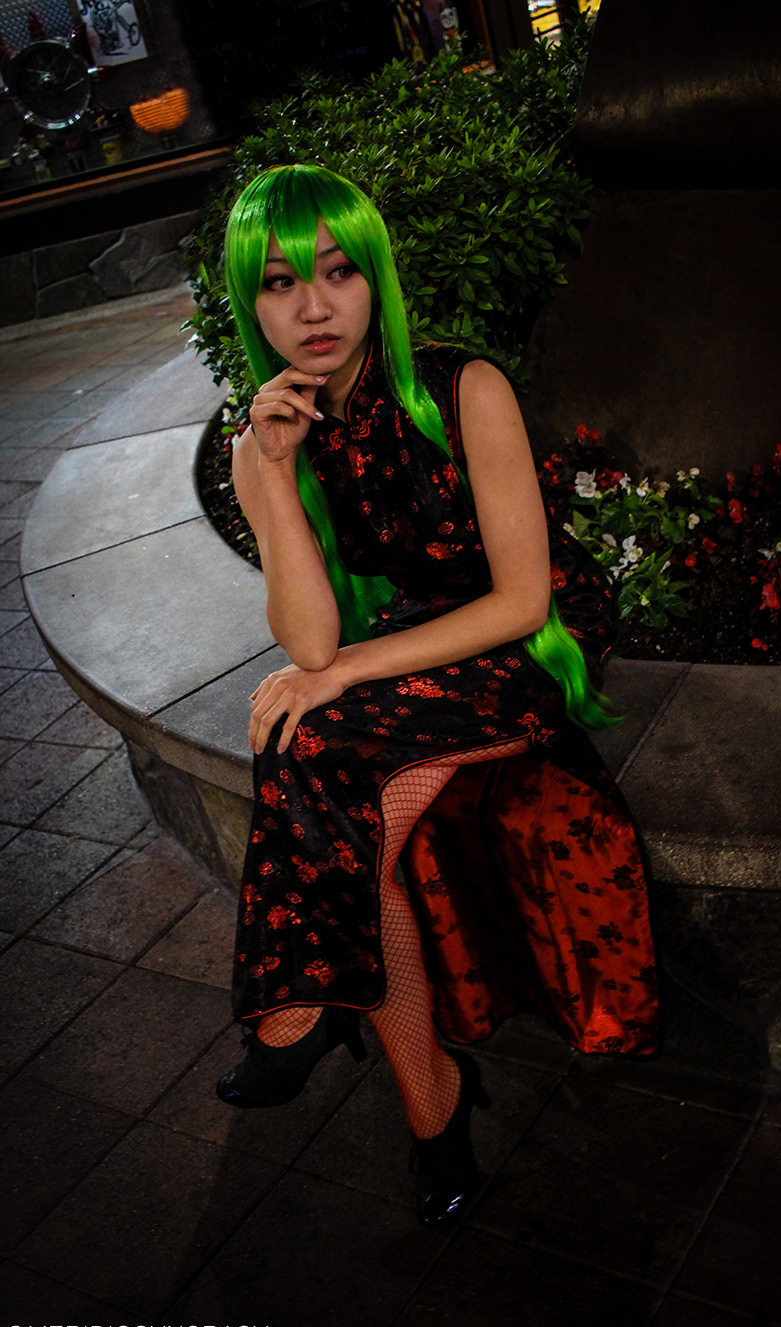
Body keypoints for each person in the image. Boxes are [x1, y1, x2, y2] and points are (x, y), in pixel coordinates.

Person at [215, 163, 658, 1226]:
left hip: (531, 637)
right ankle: (431, 1098)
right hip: (416, 644)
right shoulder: (263, 445)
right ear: (250, 303)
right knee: (323, 780)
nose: (314, 307)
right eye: (281, 282)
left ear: (376, 277)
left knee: (318, 760)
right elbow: (309, 638)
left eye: (338, 272)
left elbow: (521, 600)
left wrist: (348, 671)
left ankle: (306, 1007)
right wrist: (273, 474)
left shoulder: (465, 388)